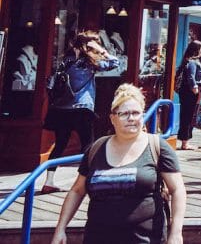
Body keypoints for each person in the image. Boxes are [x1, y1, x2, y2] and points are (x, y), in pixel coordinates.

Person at [50, 83, 185, 244]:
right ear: (113, 119)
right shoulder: (96, 148)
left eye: (136, 113)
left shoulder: (156, 147)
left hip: (146, 239)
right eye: (124, 114)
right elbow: (77, 191)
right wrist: (60, 228)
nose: (131, 118)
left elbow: (177, 189)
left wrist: (176, 233)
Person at [41, 31, 120, 194]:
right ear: (89, 45)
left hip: (61, 109)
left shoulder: (66, 61)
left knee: (60, 144)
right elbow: (115, 62)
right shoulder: (88, 63)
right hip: (81, 108)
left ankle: (48, 181)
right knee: (87, 145)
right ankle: (86, 181)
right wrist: (102, 51)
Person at [174, 40, 201, 151]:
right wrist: (195, 90)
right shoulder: (192, 62)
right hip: (189, 94)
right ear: (196, 50)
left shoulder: (190, 61)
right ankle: (185, 142)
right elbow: (191, 77)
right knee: (188, 117)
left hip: (188, 93)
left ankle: (185, 141)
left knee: (187, 116)